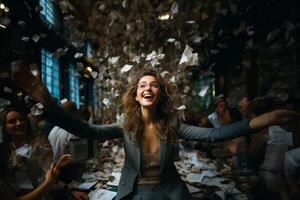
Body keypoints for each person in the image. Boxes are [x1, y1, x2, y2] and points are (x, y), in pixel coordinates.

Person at [10, 63, 300, 200]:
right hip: (134, 193)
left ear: (160, 94)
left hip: (171, 193)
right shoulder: (125, 125)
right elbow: (87, 129)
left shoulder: (172, 124)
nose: (148, 88)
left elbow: (213, 136)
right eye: (142, 85)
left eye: (154, 85)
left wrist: (267, 118)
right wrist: (44, 98)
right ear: (136, 95)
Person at [0, 107, 67, 200]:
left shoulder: (38, 144)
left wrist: (69, 190)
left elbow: (48, 175)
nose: (18, 123)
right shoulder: (3, 152)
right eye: (12, 121)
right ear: (4, 127)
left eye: (21, 120)